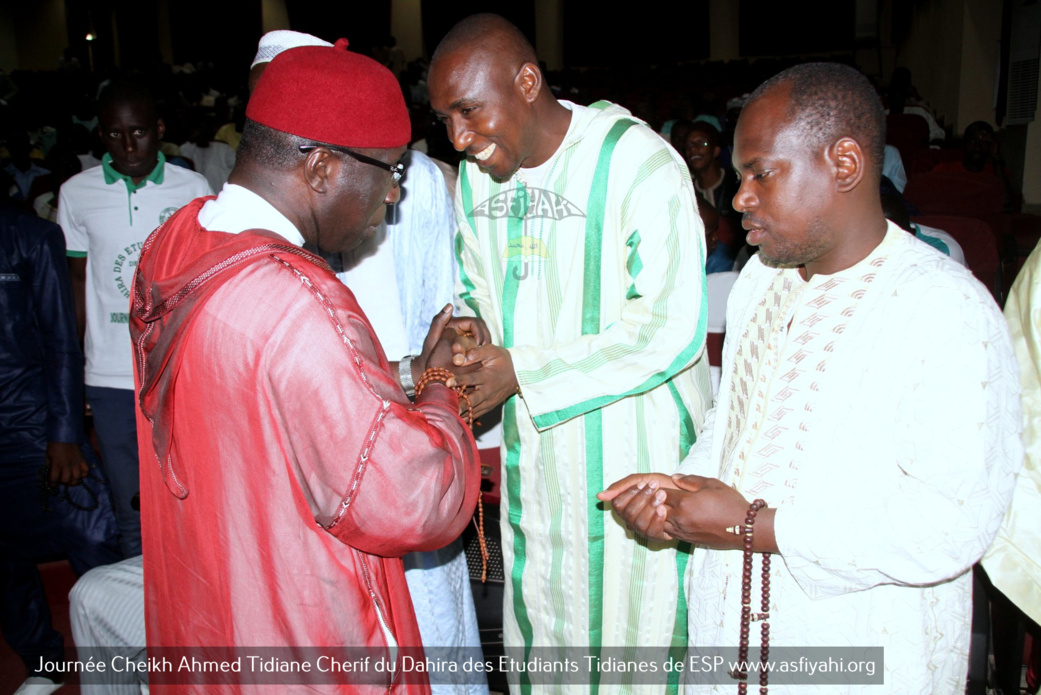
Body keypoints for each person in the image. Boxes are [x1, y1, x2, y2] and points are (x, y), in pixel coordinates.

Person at [601, 62, 1022, 693]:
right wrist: (681, 493)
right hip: (732, 636)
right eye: (740, 176)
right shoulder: (760, 280)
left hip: (857, 648)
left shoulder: (944, 308)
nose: (739, 197)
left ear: (844, 165)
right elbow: (734, 419)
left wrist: (751, 528)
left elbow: (952, 524)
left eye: (760, 173)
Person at [129, 40, 480, 692]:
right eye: (389, 171)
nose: (392, 199)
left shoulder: (172, 244)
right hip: (300, 635)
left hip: (214, 609)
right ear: (320, 167)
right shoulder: (303, 305)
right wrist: (440, 386)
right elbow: (413, 498)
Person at [428, 14, 712, 689]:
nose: (458, 139)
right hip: (542, 462)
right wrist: (469, 334)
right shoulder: (476, 180)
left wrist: (522, 369)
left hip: (633, 458)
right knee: (548, 638)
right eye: (443, 119)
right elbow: (476, 286)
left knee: (634, 646)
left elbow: (670, 325)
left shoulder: (633, 161)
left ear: (527, 82)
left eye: (469, 112)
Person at [58, 81, 212, 558]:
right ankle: (140, 623)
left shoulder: (193, 188)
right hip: (108, 375)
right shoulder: (76, 194)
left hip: (177, 372)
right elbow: (78, 286)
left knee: (191, 500)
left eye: (140, 132)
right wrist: (74, 376)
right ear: (100, 136)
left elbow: (206, 281)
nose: (128, 146)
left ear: (160, 130)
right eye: (114, 134)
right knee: (133, 512)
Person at [0, 187, 120, 695]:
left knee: (92, 536)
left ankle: (126, 661)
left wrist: (65, 433)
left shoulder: (29, 236)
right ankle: (43, 664)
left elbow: (59, 339)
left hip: (35, 423)